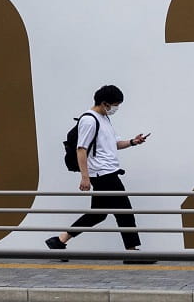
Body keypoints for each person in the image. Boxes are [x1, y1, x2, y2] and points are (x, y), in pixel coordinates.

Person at [47, 84, 154, 263]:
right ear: (104, 103)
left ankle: (59, 240)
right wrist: (85, 177)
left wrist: (133, 142)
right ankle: (132, 252)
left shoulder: (104, 118)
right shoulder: (89, 120)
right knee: (125, 212)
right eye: (115, 105)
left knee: (98, 213)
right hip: (103, 175)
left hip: (108, 172)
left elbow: (114, 144)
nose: (116, 108)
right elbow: (81, 149)